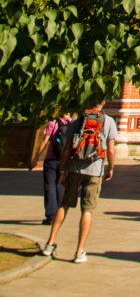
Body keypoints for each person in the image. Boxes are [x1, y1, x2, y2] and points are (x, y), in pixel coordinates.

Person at [42, 99, 117, 263]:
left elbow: (67, 148)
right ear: (103, 102)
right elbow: (110, 150)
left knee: (64, 204)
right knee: (87, 209)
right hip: (95, 169)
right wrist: (110, 168)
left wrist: (63, 171)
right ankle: (79, 251)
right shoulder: (108, 121)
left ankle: (50, 244)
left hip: (75, 167)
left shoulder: (78, 119)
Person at [31, 114, 73, 225]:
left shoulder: (53, 122)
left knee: (50, 186)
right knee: (61, 186)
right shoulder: (73, 123)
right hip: (65, 161)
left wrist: (36, 158)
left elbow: (44, 140)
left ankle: (50, 215)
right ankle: (60, 215)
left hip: (51, 159)